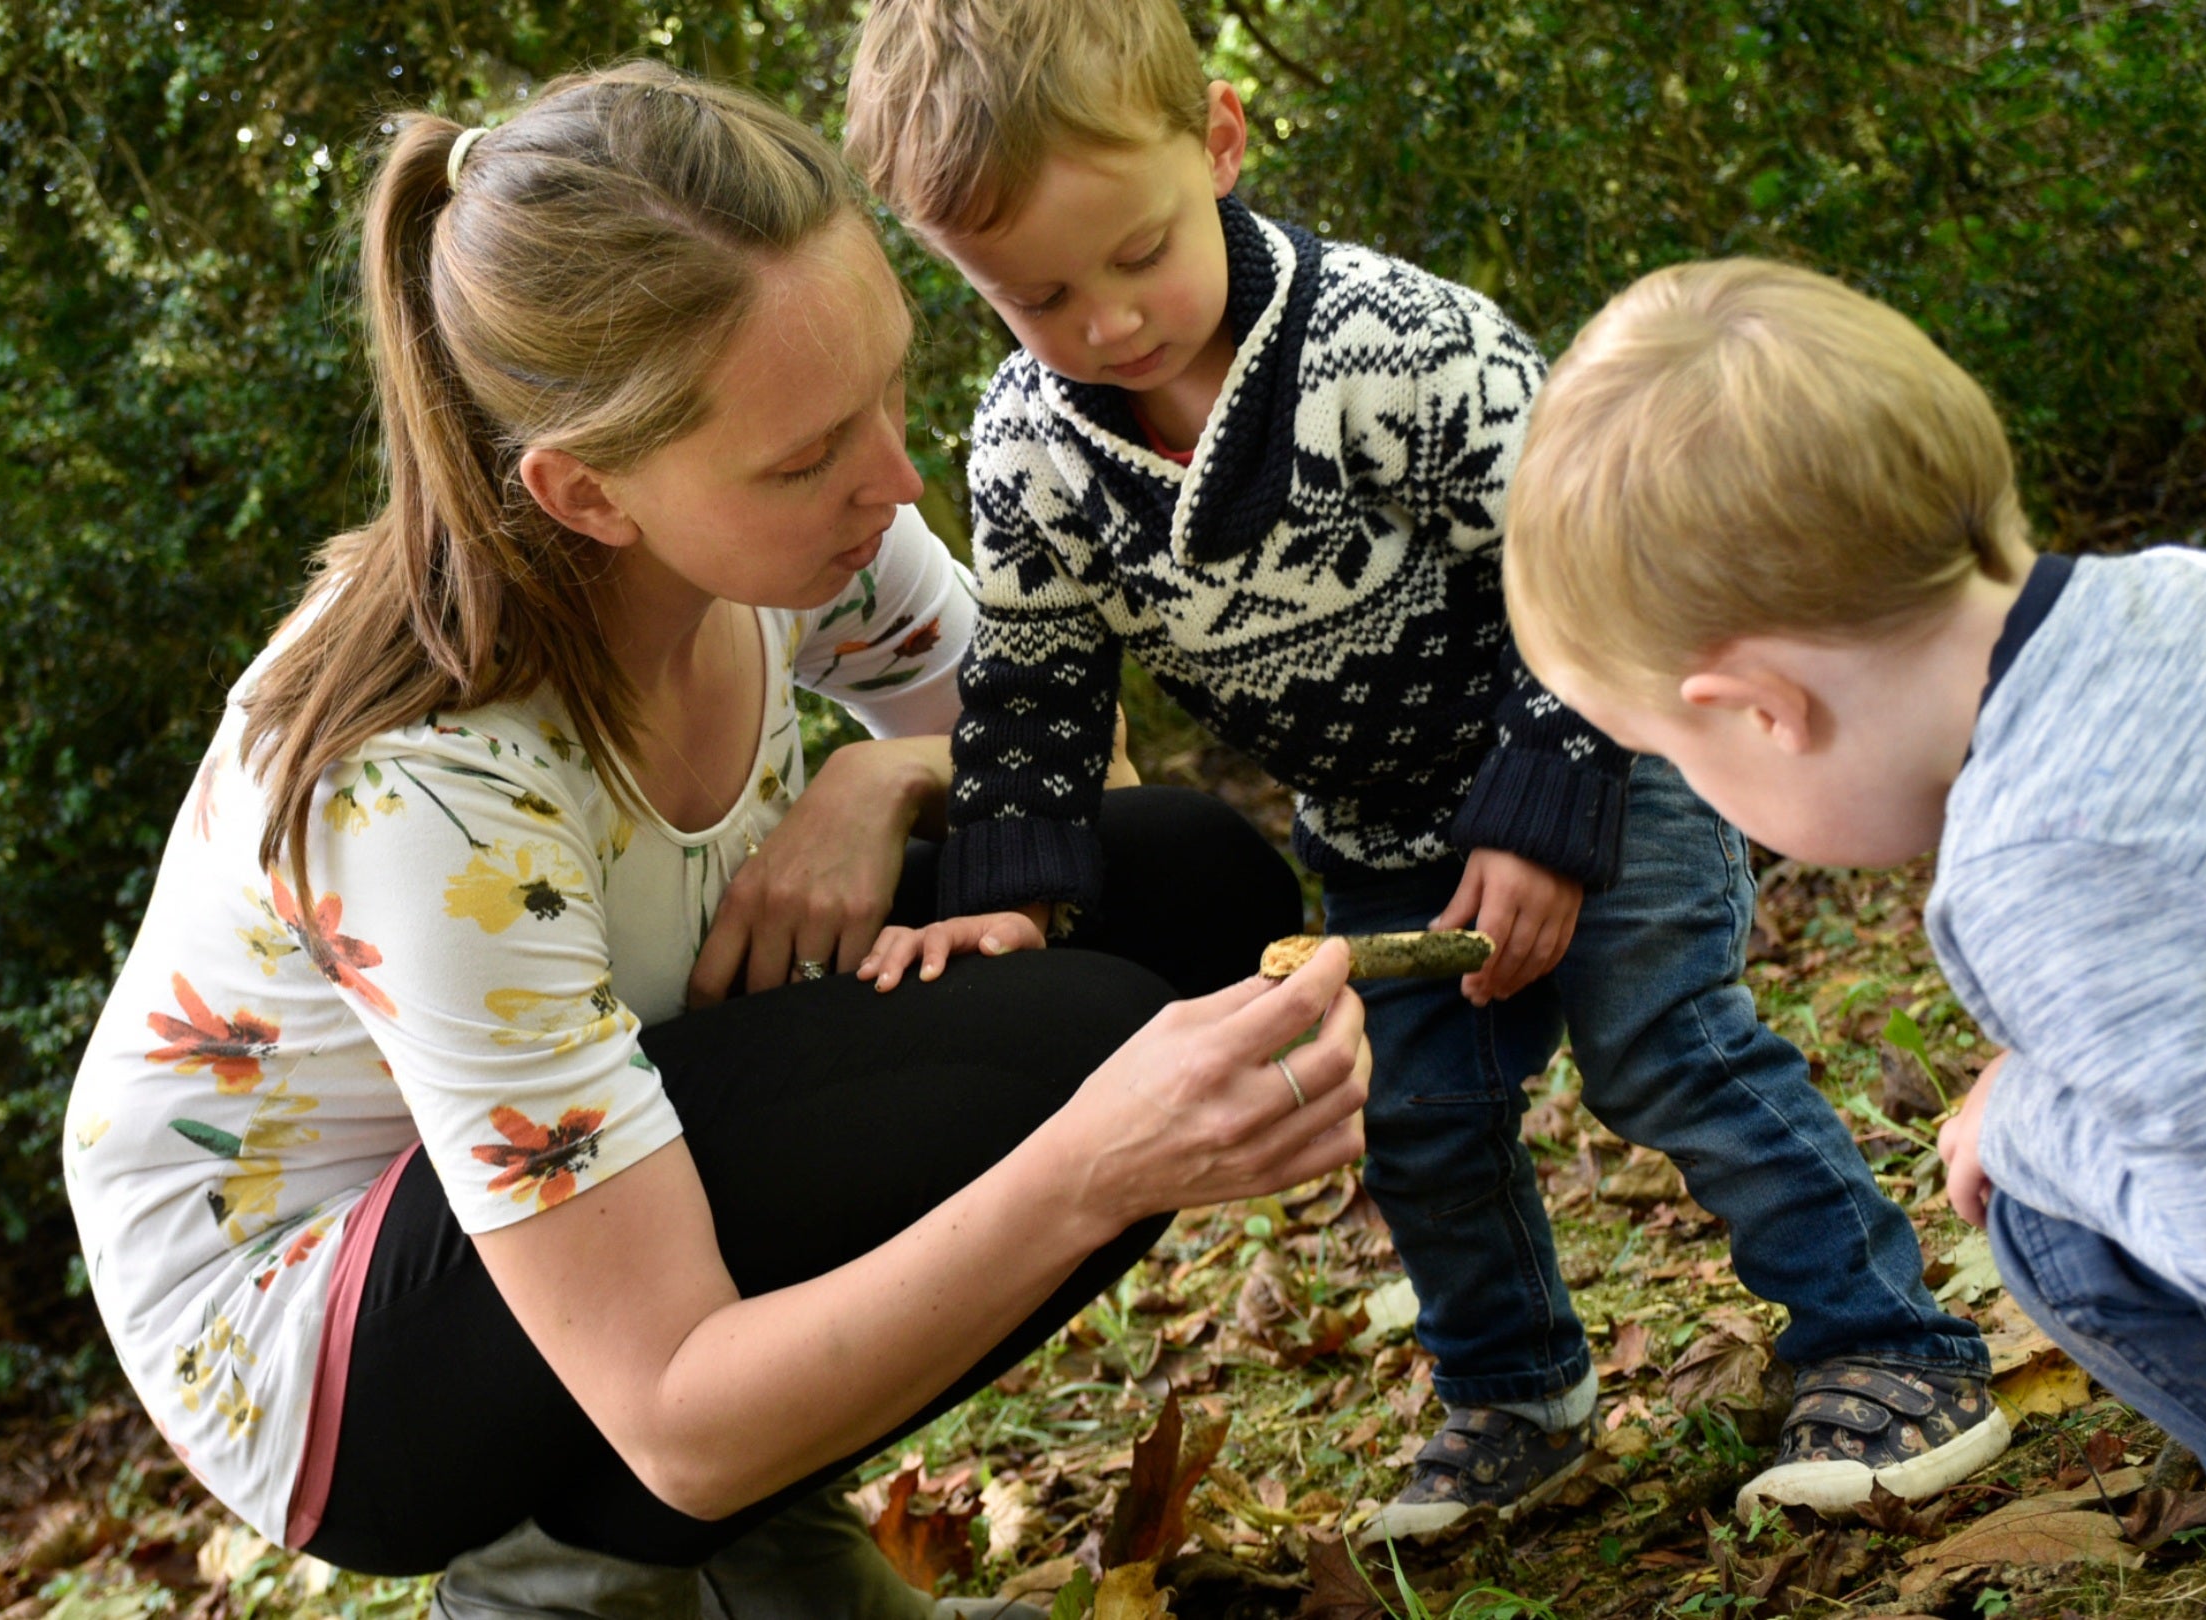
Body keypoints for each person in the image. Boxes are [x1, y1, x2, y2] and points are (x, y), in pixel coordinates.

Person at [61, 62, 1372, 1620]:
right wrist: (1100, 1170)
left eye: (886, 390)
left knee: (1182, 887)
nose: (892, 476)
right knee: (1087, 1059)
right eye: (811, 453)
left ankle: (751, 1540)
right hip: (325, 1345)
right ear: (585, 495)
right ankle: (580, 1571)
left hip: (604, 1103)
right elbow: (675, 1410)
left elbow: (1066, 754)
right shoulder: (424, 790)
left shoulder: (803, 532)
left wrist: (877, 786)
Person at [840, 0, 1996, 1538]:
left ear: (1221, 142)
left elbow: (1579, 572)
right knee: (1421, 1115)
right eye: (1037, 294)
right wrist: (1007, 894)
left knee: (1666, 1045)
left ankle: (1887, 1346)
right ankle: (1515, 1396)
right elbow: (1038, 677)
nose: (1108, 320)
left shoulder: (1398, 345)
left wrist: (1542, 816)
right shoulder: (1027, 452)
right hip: (1383, 828)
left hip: (1600, 747)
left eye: (1136, 254)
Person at [1501, 257, 2206, 1617]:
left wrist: (2024, 1127)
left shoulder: (2033, 862)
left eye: (1678, 757)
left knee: (2055, 1222)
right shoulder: (2191, 599)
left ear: (1762, 710)